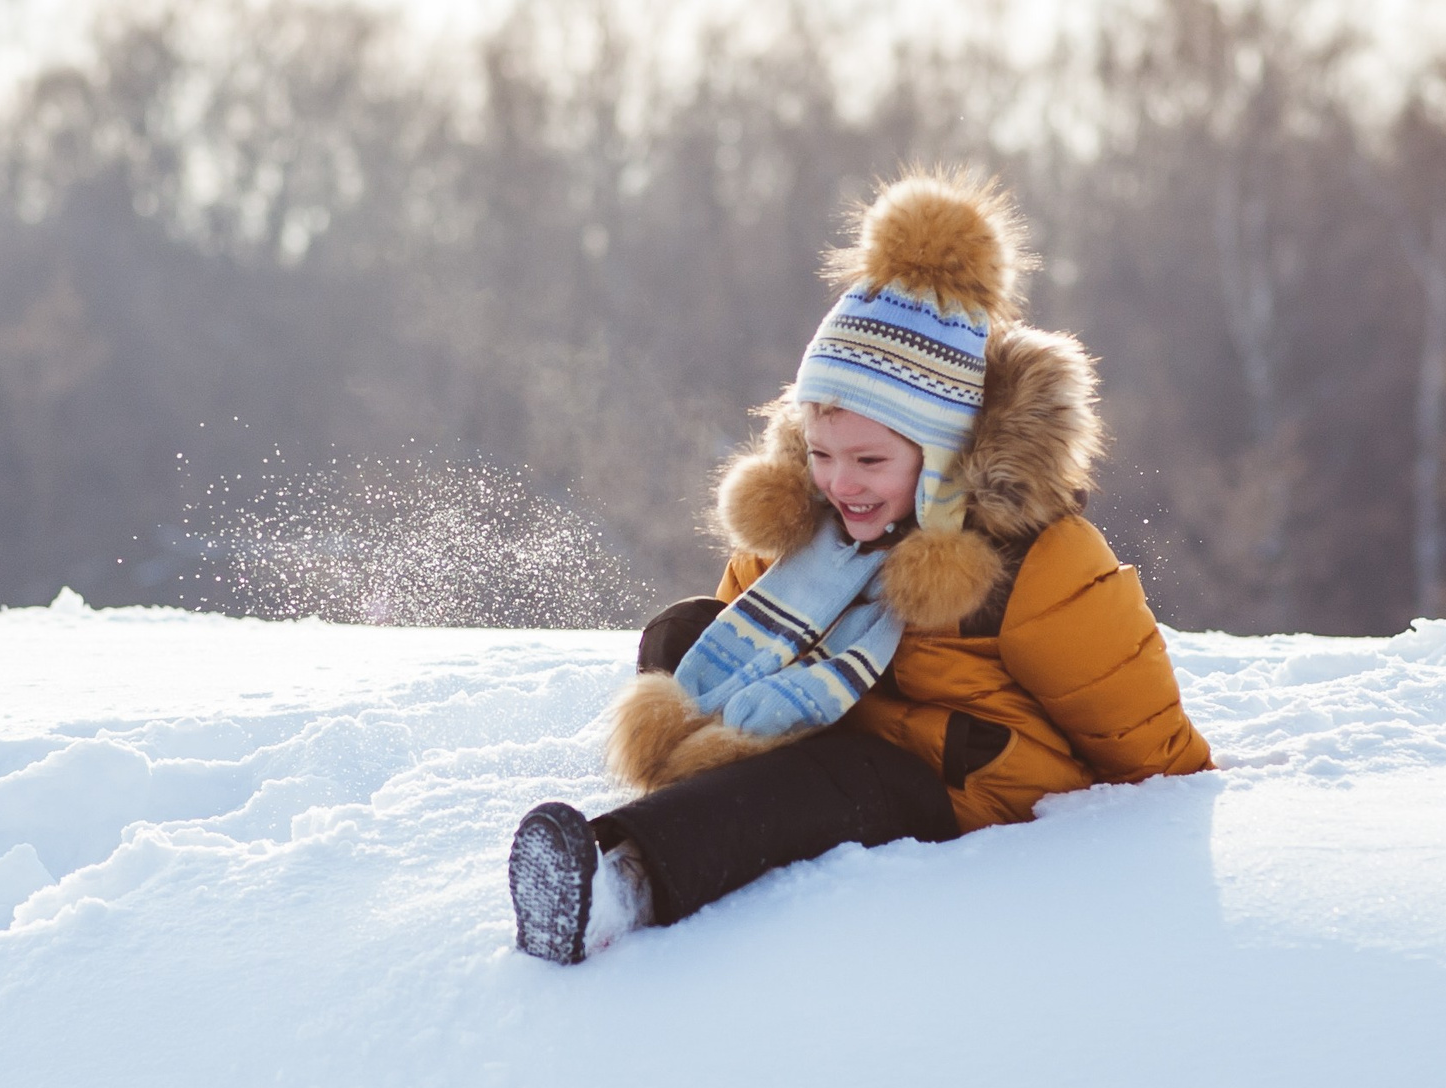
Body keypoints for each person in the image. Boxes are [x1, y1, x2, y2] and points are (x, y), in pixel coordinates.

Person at [510, 171, 1212, 964]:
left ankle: (621, 884)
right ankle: (703, 793)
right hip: (838, 718)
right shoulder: (817, 517)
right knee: (685, 630)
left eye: (871, 459)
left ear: (942, 453)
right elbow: (751, 631)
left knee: (827, 779)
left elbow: (1146, 742)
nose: (842, 482)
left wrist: (1169, 797)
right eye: (822, 454)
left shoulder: (1038, 561)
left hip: (958, 786)